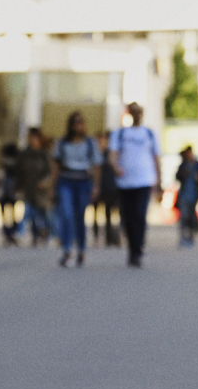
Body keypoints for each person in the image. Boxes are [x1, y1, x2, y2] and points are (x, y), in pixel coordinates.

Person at [109, 103, 161, 268]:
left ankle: (138, 249)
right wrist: (115, 167)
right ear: (129, 114)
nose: (137, 115)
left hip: (144, 180)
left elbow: (156, 158)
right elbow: (112, 154)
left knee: (140, 214)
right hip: (125, 182)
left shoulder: (149, 134)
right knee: (127, 217)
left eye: (140, 112)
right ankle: (132, 248)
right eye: (134, 112)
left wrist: (159, 180)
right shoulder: (120, 133)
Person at [53, 111, 102, 267]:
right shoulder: (62, 143)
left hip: (83, 181)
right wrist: (52, 187)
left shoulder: (90, 143)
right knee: (66, 214)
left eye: (81, 122)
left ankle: (81, 248)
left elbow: (96, 166)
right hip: (66, 180)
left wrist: (95, 186)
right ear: (71, 125)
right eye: (76, 123)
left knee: (80, 216)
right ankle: (66, 249)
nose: (79, 126)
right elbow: (56, 166)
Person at [15, 128, 54, 246]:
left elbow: (50, 171)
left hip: (41, 190)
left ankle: (47, 235)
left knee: (42, 214)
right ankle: (21, 233)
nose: (33, 141)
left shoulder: (44, 155)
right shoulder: (25, 155)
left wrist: (46, 183)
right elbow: (19, 172)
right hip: (29, 189)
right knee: (28, 213)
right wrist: (18, 188)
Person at [174, 145, 198, 247]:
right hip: (184, 195)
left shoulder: (197, 165)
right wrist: (183, 174)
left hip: (194, 195)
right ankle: (183, 238)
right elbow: (177, 176)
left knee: (191, 217)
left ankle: (191, 238)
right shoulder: (183, 165)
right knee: (184, 217)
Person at [0, 141, 21, 245]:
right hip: (11, 191)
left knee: (4, 214)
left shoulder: (3, 163)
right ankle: (12, 233)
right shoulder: (17, 163)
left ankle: (7, 233)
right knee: (13, 213)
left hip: (3, 191)